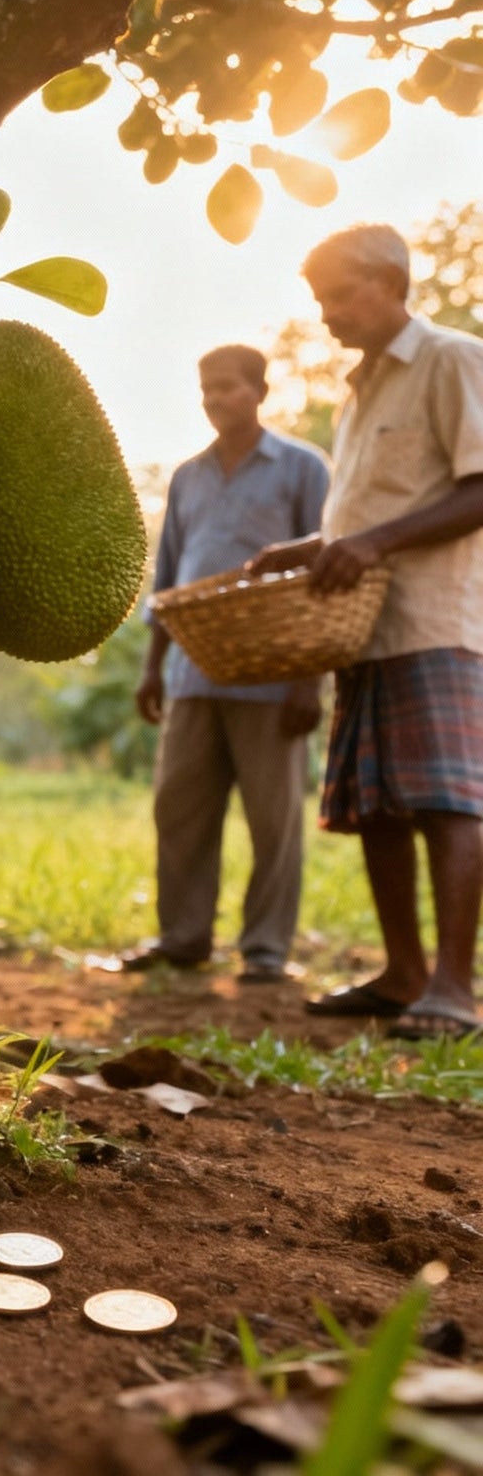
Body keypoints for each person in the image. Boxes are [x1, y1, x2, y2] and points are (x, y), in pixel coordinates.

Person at [250, 224, 483, 1039]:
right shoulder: (359, 391)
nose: (328, 314)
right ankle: (403, 972)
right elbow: (370, 514)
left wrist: (372, 543)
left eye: (341, 295)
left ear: (391, 282)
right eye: (319, 301)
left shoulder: (451, 360)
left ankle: (454, 986)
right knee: (379, 804)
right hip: (363, 627)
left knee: (448, 800)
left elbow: (478, 487)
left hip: (434, 618)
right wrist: (308, 547)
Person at [123, 346, 331, 981]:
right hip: (191, 672)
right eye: (206, 390)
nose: (214, 400)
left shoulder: (301, 468)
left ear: (260, 391)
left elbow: (324, 577)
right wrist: (153, 666)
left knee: (274, 823)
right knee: (180, 809)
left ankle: (266, 950)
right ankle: (182, 938)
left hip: (274, 677)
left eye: (227, 389)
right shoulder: (188, 476)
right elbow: (169, 579)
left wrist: (307, 680)